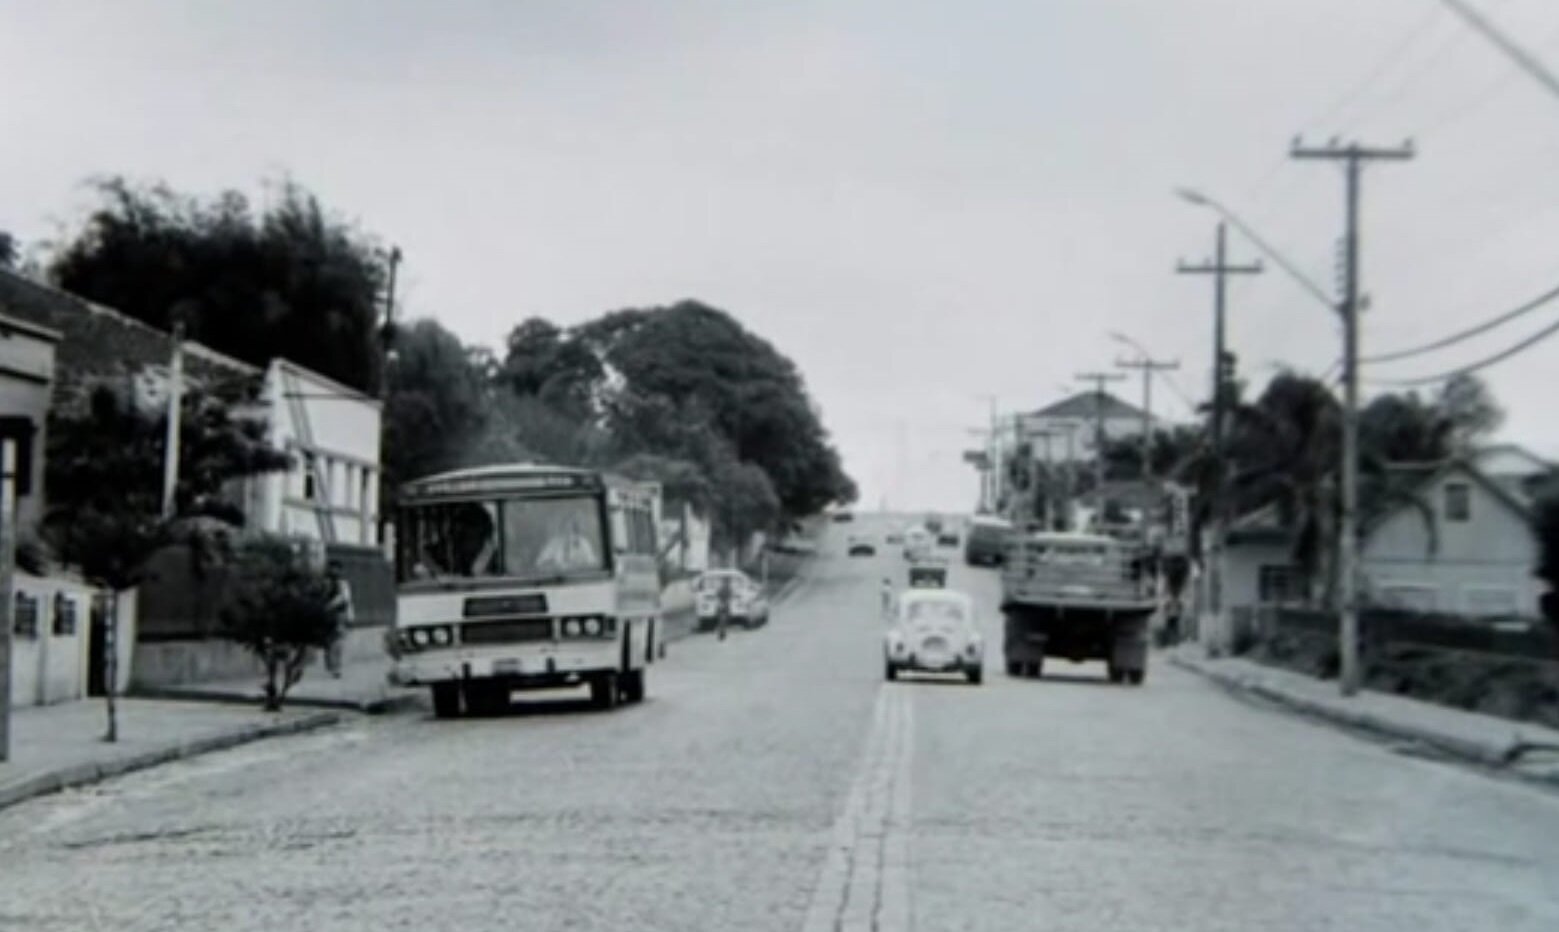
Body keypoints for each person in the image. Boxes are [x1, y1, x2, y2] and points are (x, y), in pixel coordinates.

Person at [536, 512, 600, 571]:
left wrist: (580, 564)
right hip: (558, 577)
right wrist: (552, 565)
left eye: (571, 526)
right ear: (562, 527)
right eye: (566, 526)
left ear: (575, 527)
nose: (568, 529)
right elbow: (539, 563)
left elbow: (592, 563)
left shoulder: (584, 543)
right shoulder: (553, 542)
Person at [323, 561, 355, 678]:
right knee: (330, 642)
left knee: (337, 641)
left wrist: (329, 605)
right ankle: (332, 665)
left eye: (337, 569)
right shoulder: (325, 583)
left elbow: (345, 599)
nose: (335, 571)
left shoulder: (342, 584)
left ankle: (335, 666)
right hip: (330, 615)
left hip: (338, 614)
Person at [716, 575, 734, 641]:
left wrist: (721, 603)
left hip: (722, 605)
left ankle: (722, 634)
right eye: (726, 581)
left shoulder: (723, 588)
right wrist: (724, 602)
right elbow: (730, 596)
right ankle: (722, 634)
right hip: (724, 605)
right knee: (723, 620)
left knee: (722, 620)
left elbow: (717, 595)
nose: (726, 583)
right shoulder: (727, 588)